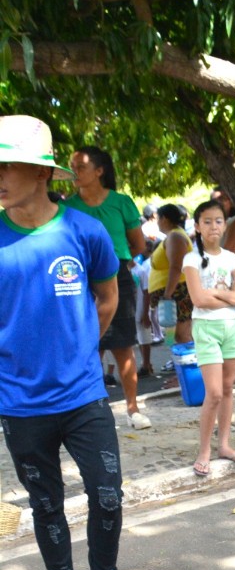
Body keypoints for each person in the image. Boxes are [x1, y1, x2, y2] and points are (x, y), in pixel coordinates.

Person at [0, 115, 139, 570]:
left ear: (40, 173)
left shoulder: (84, 231)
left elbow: (108, 296)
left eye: (8, 164)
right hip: (19, 403)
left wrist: (81, 348)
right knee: (45, 504)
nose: (0, 176)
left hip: (82, 395)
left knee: (108, 496)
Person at [66, 146, 151, 428]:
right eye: (72, 166)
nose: (74, 172)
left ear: (99, 171)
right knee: (88, 345)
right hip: (78, 281)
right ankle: (88, 410)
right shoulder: (67, 207)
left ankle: (133, 409)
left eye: (80, 166)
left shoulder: (121, 202)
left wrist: (123, 268)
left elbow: (139, 246)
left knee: (123, 345)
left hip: (119, 279)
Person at [181, 200, 235, 476]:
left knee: (229, 389)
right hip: (206, 328)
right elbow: (198, 298)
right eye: (207, 221)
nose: (213, 226)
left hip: (231, 327)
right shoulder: (191, 259)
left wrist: (218, 295)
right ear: (197, 227)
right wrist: (228, 296)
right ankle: (204, 451)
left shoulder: (231, 259)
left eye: (218, 221)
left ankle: (224, 445)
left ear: (225, 224)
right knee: (214, 393)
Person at [210, 187, 235, 380]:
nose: (218, 203)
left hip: (232, 280)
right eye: (214, 200)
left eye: (222, 199)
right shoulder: (221, 224)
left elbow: (229, 250)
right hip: (221, 280)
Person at [148, 203, 194, 347]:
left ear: (165, 219)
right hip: (175, 292)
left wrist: (168, 294)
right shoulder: (173, 235)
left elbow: (176, 266)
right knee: (177, 335)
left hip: (178, 292)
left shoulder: (175, 236)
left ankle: (194, 365)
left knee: (182, 334)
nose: (157, 224)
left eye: (158, 219)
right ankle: (183, 363)